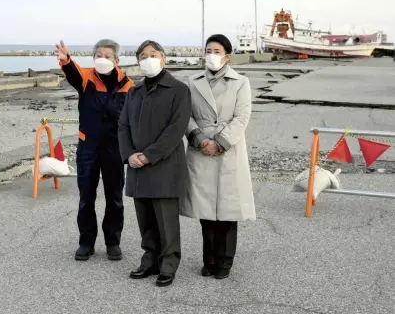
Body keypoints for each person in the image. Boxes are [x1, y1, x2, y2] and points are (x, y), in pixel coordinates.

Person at [180, 34, 256, 280]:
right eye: (208, 50)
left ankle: (225, 261)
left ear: (227, 56)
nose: (211, 54)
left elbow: (242, 117)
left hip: (228, 149)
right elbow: (185, 115)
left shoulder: (240, 82)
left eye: (217, 50)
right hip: (200, 148)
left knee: (227, 211)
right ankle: (209, 259)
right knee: (205, 211)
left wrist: (220, 142)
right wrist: (200, 139)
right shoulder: (192, 81)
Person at [118, 40, 192, 287]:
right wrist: (129, 154)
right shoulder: (133, 92)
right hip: (137, 166)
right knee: (145, 217)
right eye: (143, 56)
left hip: (164, 165)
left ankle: (168, 263)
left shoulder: (179, 90)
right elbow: (123, 126)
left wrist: (149, 155)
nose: (147, 59)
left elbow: (176, 128)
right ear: (138, 62)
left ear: (164, 59)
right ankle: (149, 259)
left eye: (153, 54)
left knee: (165, 218)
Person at [55, 39, 134, 261]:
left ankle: (113, 242)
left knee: (114, 197)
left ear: (117, 60)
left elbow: (134, 119)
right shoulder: (86, 77)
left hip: (115, 148)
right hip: (88, 147)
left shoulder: (128, 85)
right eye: (98, 55)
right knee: (86, 197)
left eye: (107, 56)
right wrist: (66, 60)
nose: (102, 59)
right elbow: (73, 72)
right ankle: (86, 242)